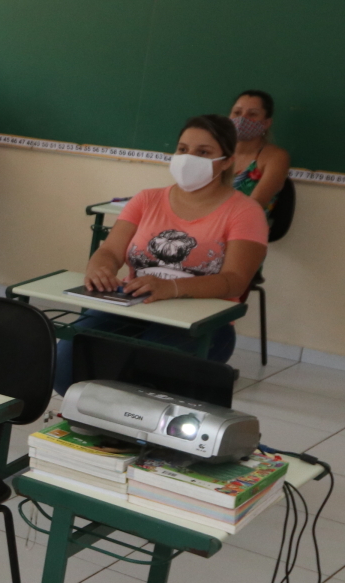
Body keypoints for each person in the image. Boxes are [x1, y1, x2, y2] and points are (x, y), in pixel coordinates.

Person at [55, 115, 268, 392]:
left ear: (226, 160)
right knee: (69, 367)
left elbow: (236, 280)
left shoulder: (245, 212)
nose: (188, 158)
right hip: (131, 306)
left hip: (200, 323)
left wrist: (172, 287)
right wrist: (100, 268)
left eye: (203, 152)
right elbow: (109, 250)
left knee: (146, 384)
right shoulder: (146, 199)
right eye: (182, 149)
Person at [228, 90, 290, 213]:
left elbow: (253, 207)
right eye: (237, 112)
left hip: (245, 227)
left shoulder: (276, 157)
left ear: (266, 123)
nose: (242, 119)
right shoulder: (217, 152)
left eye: (252, 114)